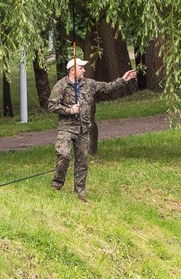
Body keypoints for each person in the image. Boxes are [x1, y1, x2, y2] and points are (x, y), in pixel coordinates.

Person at [49, 58, 137, 201]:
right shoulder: (61, 86)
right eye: (81, 68)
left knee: (82, 161)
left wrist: (123, 79)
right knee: (64, 155)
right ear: (73, 70)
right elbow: (52, 105)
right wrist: (69, 110)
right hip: (67, 128)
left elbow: (108, 87)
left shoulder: (89, 84)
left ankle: (80, 191)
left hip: (84, 129)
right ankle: (56, 184)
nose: (84, 70)